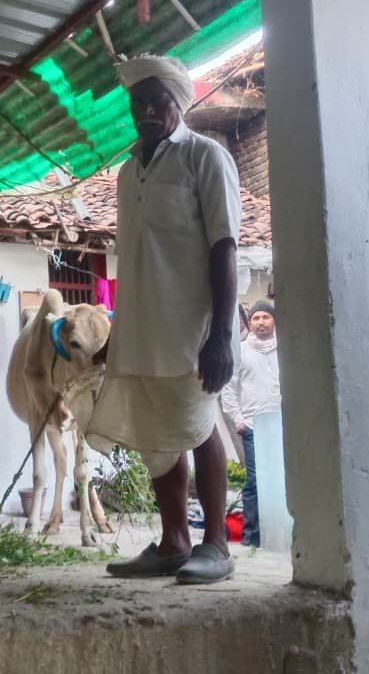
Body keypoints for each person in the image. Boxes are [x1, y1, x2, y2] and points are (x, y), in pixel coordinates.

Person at [87, 55, 242, 585]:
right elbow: (134, 258)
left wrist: (221, 335)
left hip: (193, 330)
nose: (147, 111)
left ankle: (216, 544)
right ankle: (174, 541)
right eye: (138, 103)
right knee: (157, 433)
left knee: (199, 426)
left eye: (157, 101)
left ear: (179, 103)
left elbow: (224, 246)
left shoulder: (206, 156)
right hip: (142, 330)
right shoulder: (128, 172)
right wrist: (118, 332)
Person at [220, 300, 281, 548]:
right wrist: (238, 419)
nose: (261, 322)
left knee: (282, 480)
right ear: (250, 322)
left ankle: (280, 534)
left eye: (266, 317)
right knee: (255, 482)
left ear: (274, 320)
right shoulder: (242, 352)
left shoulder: (285, 350)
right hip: (253, 427)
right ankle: (251, 537)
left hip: (281, 426)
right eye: (256, 318)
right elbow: (228, 387)